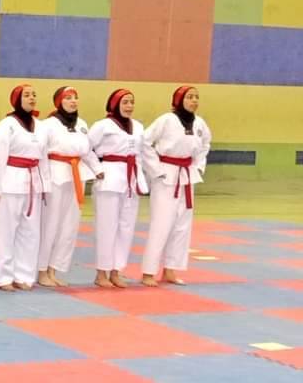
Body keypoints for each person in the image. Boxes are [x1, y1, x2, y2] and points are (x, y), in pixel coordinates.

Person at [140, 86, 211, 287]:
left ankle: (170, 269)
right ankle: (148, 272)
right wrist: (155, 169)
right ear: (179, 100)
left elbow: (205, 145)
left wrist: (198, 167)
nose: (194, 100)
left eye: (196, 97)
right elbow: (145, 142)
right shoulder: (166, 120)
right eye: (189, 97)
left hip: (187, 175)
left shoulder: (199, 123)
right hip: (166, 175)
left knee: (182, 226)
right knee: (161, 224)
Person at [0, 84, 49, 292]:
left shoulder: (41, 126)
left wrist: (45, 184)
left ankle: (24, 276)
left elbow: (43, 158)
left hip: (33, 183)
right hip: (9, 182)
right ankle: (4, 277)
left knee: (30, 232)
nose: (31, 98)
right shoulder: (6, 125)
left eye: (34, 95)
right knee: (5, 232)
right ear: (16, 99)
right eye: (27, 95)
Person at [37, 87, 102, 287]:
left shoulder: (81, 124)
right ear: (59, 102)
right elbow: (40, 152)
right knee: (50, 224)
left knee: (69, 226)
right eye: (68, 98)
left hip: (76, 175)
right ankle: (41, 270)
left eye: (75, 98)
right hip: (55, 175)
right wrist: (42, 178)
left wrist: (98, 169)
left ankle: (53, 269)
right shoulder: (48, 125)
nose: (73, 101)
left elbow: (87, 151)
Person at [89, 89, 147, 288]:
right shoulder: (102, 126)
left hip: (130, 179)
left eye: (131, 102)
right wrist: (97, 169)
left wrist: (140, 179)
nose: (129, 106)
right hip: (109, 177)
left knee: (126, 226)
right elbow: (86, 148)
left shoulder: (138, 126)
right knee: (107, 226)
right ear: (114, 104)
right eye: (125, 102)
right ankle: (101, 273)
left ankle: (116, 270)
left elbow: (141, 154)